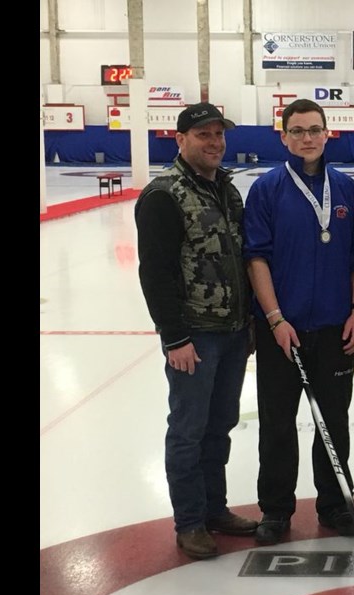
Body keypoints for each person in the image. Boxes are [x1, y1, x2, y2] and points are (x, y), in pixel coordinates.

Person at [135, 102, 257, 559]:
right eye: (203, 134)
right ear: (180, 139)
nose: (214, 142)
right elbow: (156, 274)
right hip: (195, 336)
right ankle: (189, 521)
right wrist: (175, 338)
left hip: (232, 331)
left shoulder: (226, 190)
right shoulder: (164, 194)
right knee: (188, 429)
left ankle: (214, 509)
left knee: (220, 426)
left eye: (218, 134)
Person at [243, 99, 354, 544]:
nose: (307, 138)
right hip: (283, 330)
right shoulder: (267, 190)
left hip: (336, 327)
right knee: (278, 422)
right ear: (284, 137)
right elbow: (257, 258)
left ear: (328, 133)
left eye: (314, 129)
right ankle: (276, 508)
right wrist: (274, 319)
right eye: (297, 131)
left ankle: (334, 503)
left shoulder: (348, 191)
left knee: (333, 420)